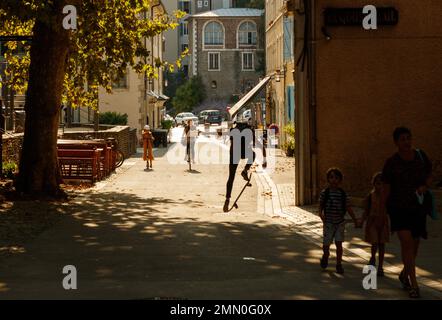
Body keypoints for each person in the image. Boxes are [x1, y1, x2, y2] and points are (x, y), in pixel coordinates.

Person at [381, 127, 432, 298]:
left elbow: (428, 177)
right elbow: (385, 190)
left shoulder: (420, 157)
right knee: (407, 244)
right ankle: (414, 285)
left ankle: (404, 274)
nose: (407, 142)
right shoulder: (391, 163)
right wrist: (382, 213)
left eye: (408, 138)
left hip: (417, 208)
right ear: (396, 142)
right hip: (398, 209)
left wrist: (424, 186)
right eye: (403, 139)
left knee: (414, 246)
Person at [319, 168, 359, 274]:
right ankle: (325, 256)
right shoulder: (325, 193)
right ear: (328, 179)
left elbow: (348, 207)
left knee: (339, 244)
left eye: (336, 178)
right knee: (326, 244)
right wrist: (321, 216)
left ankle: (339, 264)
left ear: (340, 180)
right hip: (328, 223)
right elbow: (321, 206)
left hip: (340, 223)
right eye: (331, 177)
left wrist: (355, 220)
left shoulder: (342, 194)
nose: (334, 180)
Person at [223, 120, 267, 212]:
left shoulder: (234, 130)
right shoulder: (249, 131)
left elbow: (232, 144)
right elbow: (260, 145)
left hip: (234, 154)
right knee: (253, 154)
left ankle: (227, 198)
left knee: (231, 177)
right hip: (244, 152)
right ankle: (245, 170)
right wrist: (264, 159)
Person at [361, 172, 389, 277]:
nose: (379, 186)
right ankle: (373, 257)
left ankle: (380, 266)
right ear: (374, 184)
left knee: (382, 245)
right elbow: (366, 210)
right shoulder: (371, 196)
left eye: (382, 184)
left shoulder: (387, 197)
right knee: (374, 242)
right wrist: (361, 221)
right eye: (377, 183)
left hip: (383, 223)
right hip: (372, 222)